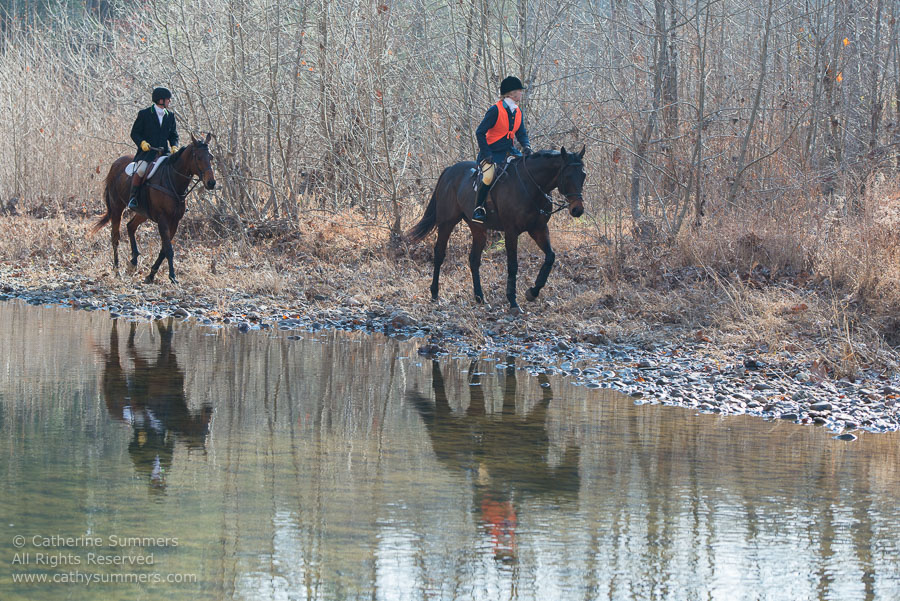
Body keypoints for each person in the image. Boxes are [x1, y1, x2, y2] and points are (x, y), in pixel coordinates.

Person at [472, 76, 533, 223]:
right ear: (511, 93)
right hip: (491, 153)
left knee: (526, 170)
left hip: (510, 151)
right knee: (488, 176)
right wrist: (486, 154)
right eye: (519, 91)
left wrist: (527, 146)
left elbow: (521, 133)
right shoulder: (495, 110)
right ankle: (478, 208)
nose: (521, 93)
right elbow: (480, 132)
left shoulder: (518, 112)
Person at [127, 87, 180, 213]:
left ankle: (177, 200)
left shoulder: (170, 116)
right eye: (168, 99)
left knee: (176, 171)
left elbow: (174, 135)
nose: (169, 101)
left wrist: (174, 146)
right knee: (141, 170)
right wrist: (142, 143)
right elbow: (135, 133)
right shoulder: (144, 114)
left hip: (165, 154)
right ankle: (133, 198)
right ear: (160, 100)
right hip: (147, 153)